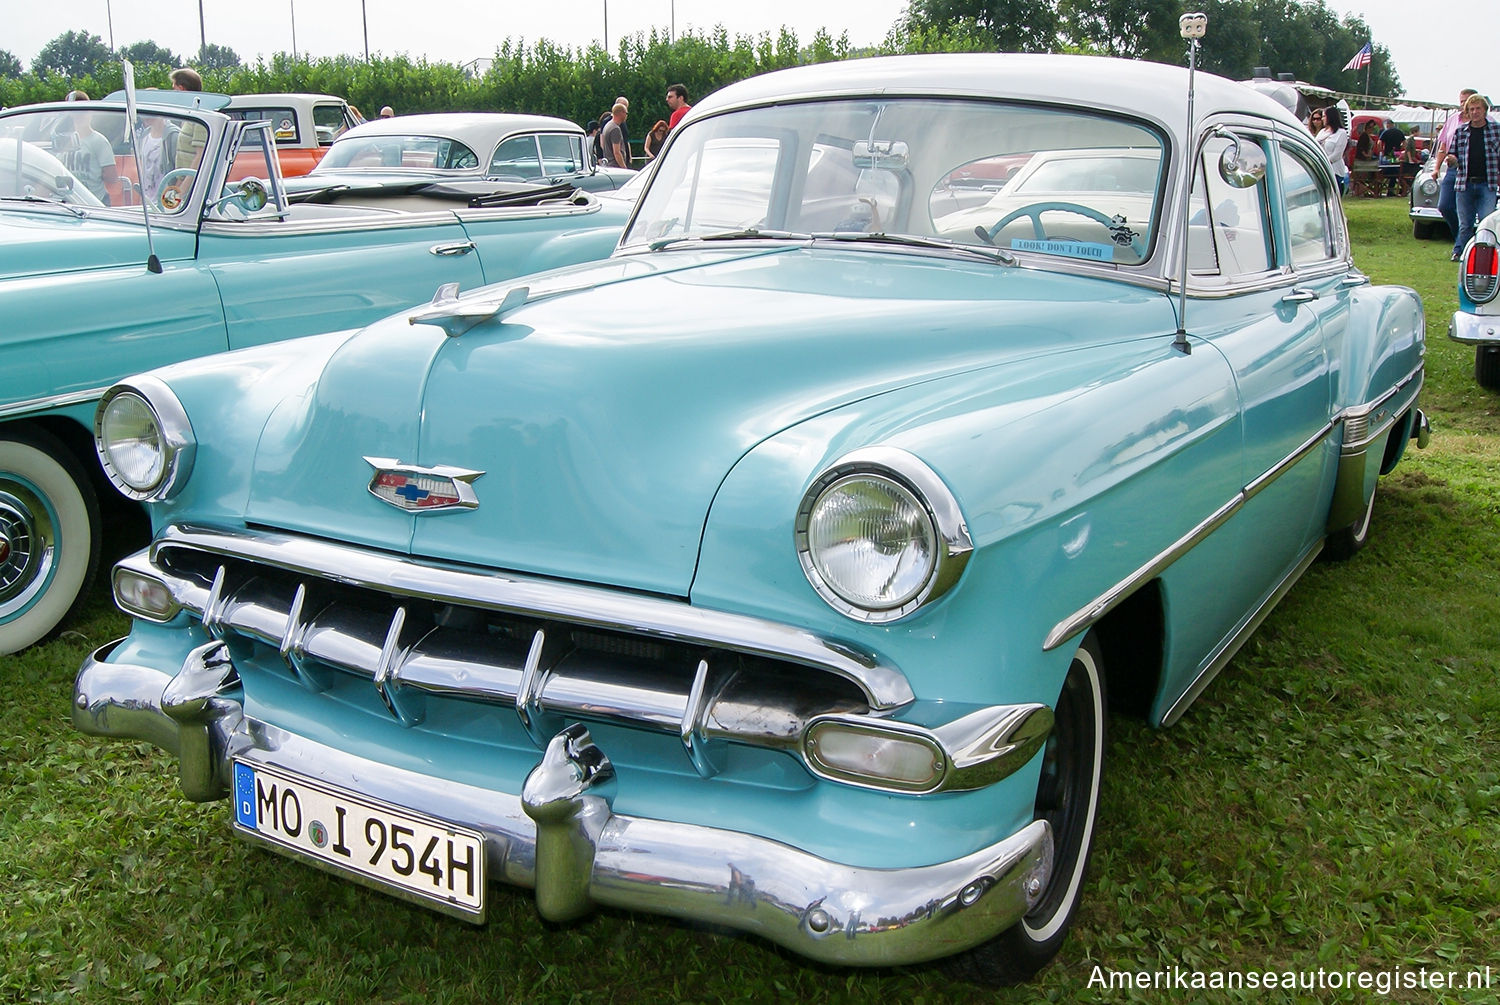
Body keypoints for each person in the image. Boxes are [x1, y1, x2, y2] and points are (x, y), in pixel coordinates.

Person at [1449, 93, 1500, 261]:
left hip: (1488, 183)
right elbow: (1453, 155)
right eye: (1471, 109)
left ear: (1485, 111)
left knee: (1487, 222)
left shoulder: (1496, 130)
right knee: (1465, 223)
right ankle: (1459, 252)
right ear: (1467, 113)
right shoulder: (1460, 131)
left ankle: (1485, 256)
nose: (1475, 112)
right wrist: (1452, 160)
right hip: (1465, 184)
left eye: (1478, 108)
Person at [1434, 89, 1481, 253]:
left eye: (1467, 101)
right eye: (1461, 101)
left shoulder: (1486, 122)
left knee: (1468, 213)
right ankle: (1462, 239)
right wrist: (1436, 168)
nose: (1464, 105)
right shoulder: (1453, 120)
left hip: (1475, 172)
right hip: (1454, 169)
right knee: (1445, 205)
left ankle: (1460, 247)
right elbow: (1443, 147)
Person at [56, 90, 118, 203]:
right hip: (70, 202)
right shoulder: (64, 141)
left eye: (81, 111)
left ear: (89, 111)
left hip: (95, 201)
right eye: (73, 112)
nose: (78, 115)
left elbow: (112, 176)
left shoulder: (99, 141)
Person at [1316, 106, 1350, 195]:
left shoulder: (1341, 133)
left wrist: (1324, 161)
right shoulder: (1322, 132)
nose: (1322, 119)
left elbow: (1337, 155)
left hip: (1335, 170)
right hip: (1321, 168)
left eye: (1324, 116)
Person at [600, 102, 629, 169]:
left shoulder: (608, 125)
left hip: (608, 164)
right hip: (615, 166)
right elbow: (617, 152)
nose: (627, 115)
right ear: (621, 113)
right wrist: (624, 168)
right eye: (626, 113)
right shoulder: (615, 129)